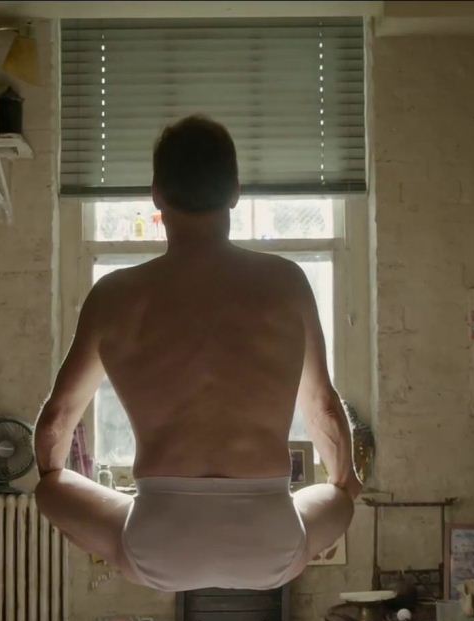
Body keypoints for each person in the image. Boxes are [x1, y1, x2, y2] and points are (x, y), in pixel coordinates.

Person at [33, 115, 361, 592]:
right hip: (270, 540)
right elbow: (324, 409)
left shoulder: (113, 295)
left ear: (156, 195)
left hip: (156, 540)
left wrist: (54, 477)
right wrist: (346, 483)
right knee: (338, 495)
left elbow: (56, 421)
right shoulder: (287, 282)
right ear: (235, 193)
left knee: (49, 488)